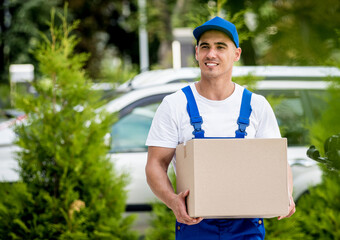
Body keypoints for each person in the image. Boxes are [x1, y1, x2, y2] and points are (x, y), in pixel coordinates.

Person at [145, 16, 296, 240]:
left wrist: (286, 193)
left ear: (236, 54)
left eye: (220, 47)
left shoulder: (257, 106)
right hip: (195, 225)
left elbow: (277, 164)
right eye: (205, 47)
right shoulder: (175, 105)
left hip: (247, 227)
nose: (211, 54)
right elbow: (155, 164)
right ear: (196, 53)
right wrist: (172, 201)